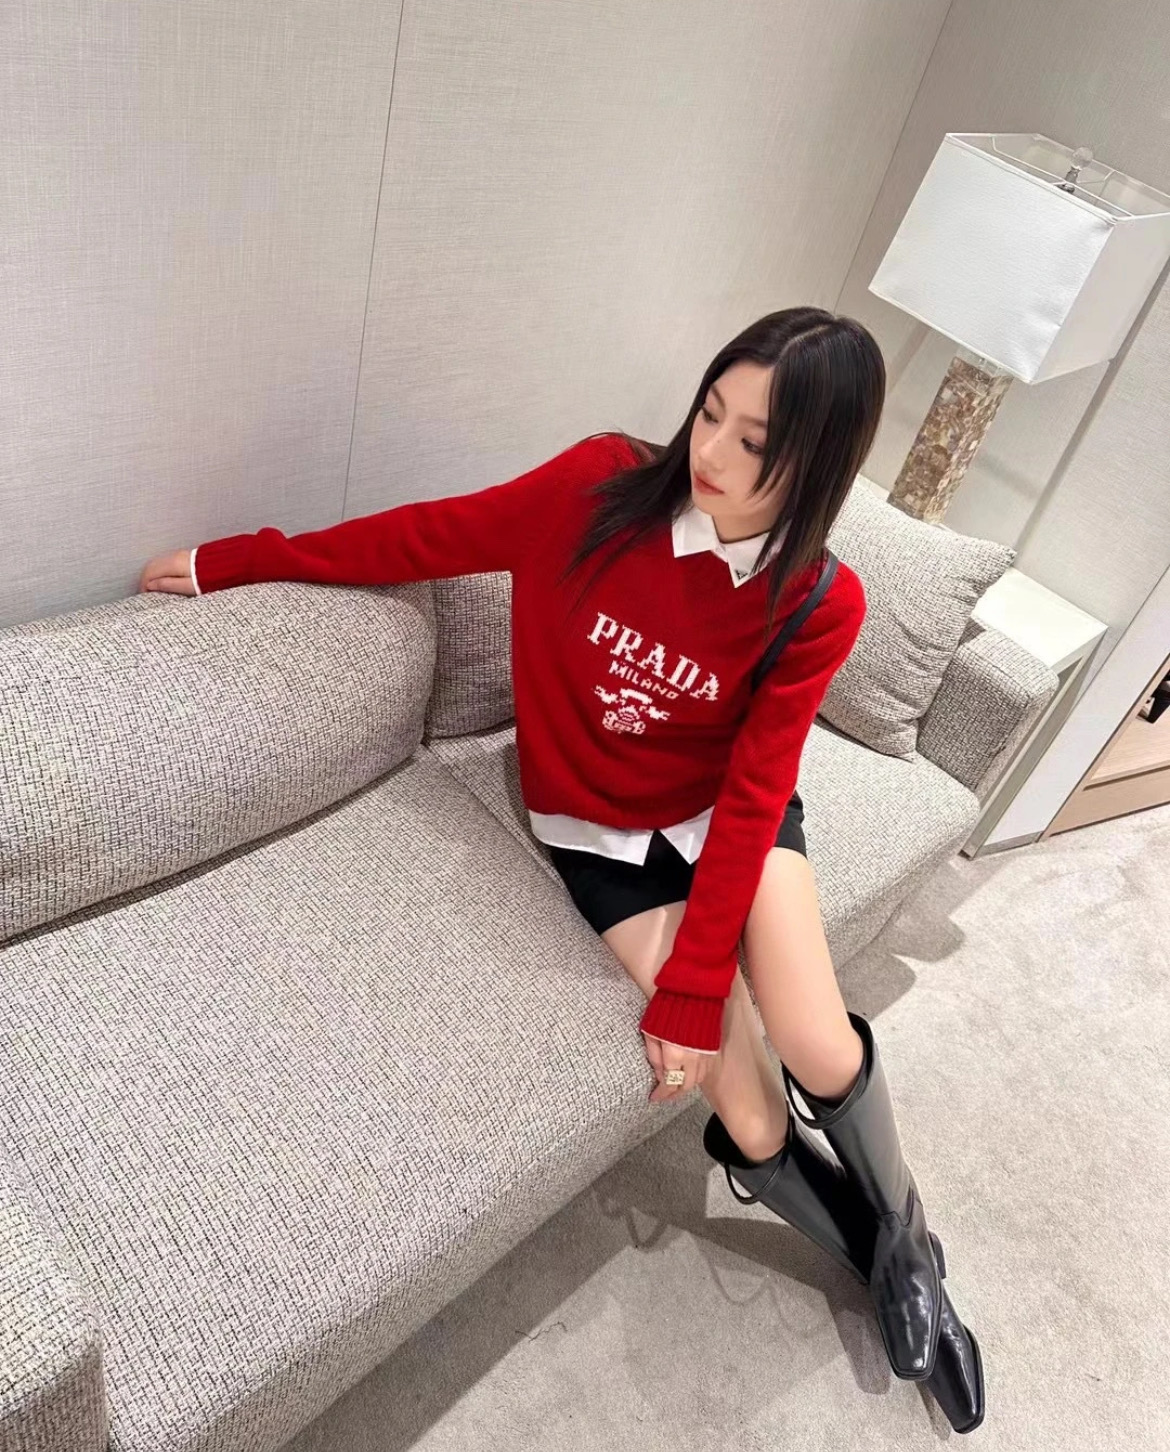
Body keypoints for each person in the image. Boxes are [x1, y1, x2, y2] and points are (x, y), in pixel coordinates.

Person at [140, 306, 983, 1430]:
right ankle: (878, 1258)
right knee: (752, 1115)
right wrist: (237, 560)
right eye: (709, 413)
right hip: (597, 830)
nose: (711, 453)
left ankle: (907, 1248)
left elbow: (754, 789)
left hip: (728, 815)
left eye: (753, 443)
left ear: (817, 464)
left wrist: (694, 986)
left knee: (818, 1041)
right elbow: (425, 536)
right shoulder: (597, 491)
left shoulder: (821, 601)